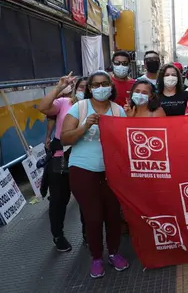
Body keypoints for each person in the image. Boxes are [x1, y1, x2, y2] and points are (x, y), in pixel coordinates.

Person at [60, 71, 129, 279]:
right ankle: (97, 257)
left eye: (104, 84)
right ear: (90, 88)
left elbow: (125, 141)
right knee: (94, 217)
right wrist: (85, 126)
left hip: (111, 171)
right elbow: (65, 139)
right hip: (83, 170)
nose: (101, 88)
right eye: (96, 85)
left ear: (110, 86)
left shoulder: (117, 110)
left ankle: (114, 252)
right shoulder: (79, 108)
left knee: (112, 216)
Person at [37, 75, 87, 252]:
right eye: (81, 87)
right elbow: (43, 108)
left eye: (88, 88)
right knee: (59, 199)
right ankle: (58, 235)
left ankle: (88, 234)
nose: (84, 90)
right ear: (75, 89)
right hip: (60, 157)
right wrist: (59, 87)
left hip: (86, 158)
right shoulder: (64, 102)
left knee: (86, 199)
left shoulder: (96, 107)